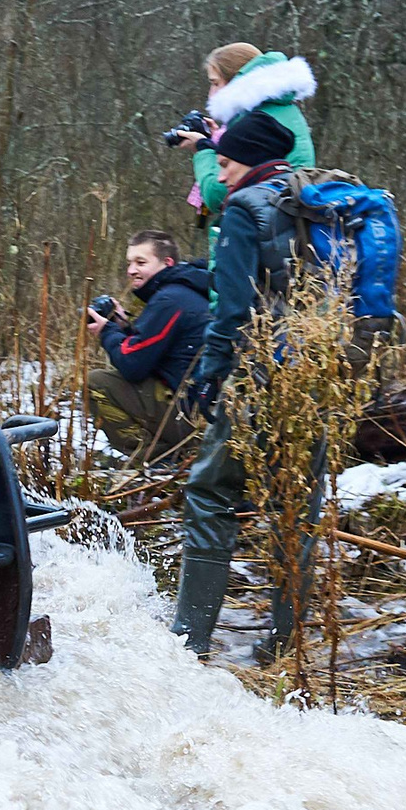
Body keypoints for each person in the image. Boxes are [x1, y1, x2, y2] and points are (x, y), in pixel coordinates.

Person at [171, 109, 304, 660]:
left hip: (258, 374)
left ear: (248, 161)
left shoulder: (245, 210)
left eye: (224, 163)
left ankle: (188, 641)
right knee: (297, 505)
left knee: (210, 493)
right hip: (317, 374)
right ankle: (285, 649)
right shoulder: (310, 201)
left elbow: (231, 310)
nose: (219, 176)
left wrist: (209, 375)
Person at [168, 43, 316, 249]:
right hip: (282, 229)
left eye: (215, 83)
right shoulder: (278, 111)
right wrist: (219, 141)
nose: (211, 94)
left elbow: (217, 194)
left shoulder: (257, 121)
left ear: (236, 80)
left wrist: (202, 150)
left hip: (262, 238)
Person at [83, 230, 210, 457]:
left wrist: (107, 331)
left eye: (141, 262)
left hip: (191, 414)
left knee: (96, 382)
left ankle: (156, 458)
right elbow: (154, 351)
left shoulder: (169, 299)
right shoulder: (187, 291)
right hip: (203, 408)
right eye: (129, 263)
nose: (131, 270)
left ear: (167, 263)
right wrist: (124, 328)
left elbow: (133, 364)